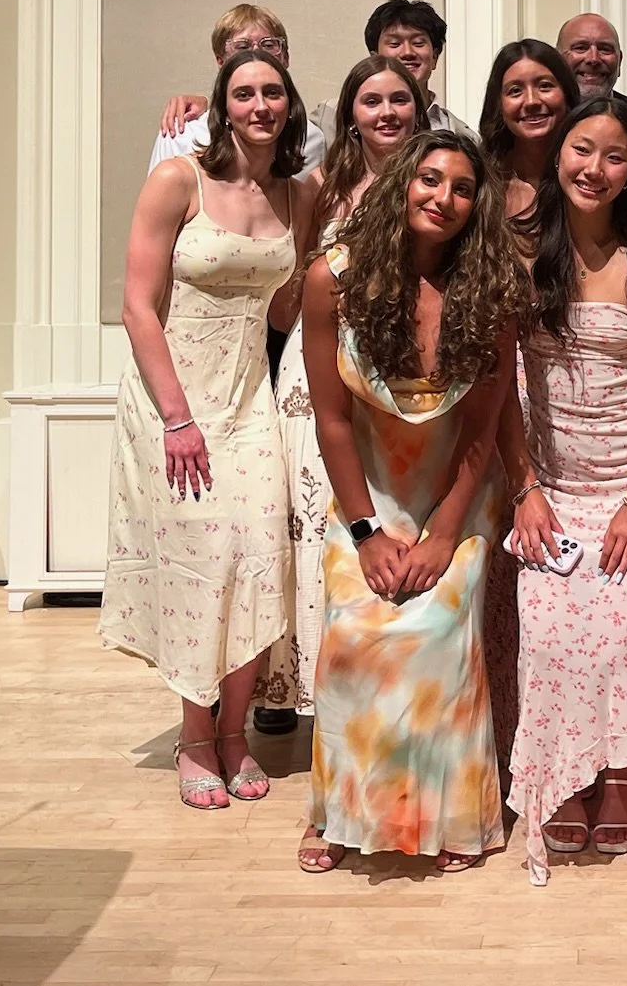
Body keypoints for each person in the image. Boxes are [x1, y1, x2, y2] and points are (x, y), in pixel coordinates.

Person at [297, 130, 523, 873]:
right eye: (430, 180)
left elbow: (483, 429)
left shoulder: (491, 291)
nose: (444, 199)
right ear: (402, 186)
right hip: (367, 494)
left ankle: (452, 816)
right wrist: (366, 532)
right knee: (356, 635)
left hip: (456, 495)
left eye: (462, 188)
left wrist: (440, 536)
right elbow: (332, 420)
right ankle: (337, 813)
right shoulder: (332, 279)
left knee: (438, 624)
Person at [100, 47, 317, 810]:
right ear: (222, 106)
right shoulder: (177, 180)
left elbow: (289, 307)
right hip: (175, 398)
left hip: (249, 390)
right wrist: (177, 418)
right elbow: (136, 304)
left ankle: (237, 734)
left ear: (290, 107)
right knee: (200, 560)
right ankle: (197, 734)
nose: (260, 105)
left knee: (261, 551)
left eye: (273, 94)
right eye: (245, 93)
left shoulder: (298, 194)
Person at [503, 98, 627, 884]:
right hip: (550, 487)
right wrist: (523, 490)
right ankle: (567, 780)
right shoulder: (518, 250)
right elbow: (501, 389)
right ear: (557, 155)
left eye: (614, 157)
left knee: (621, 640)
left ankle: (618, 774)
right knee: (547, 640)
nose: (594, 169)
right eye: (582, 150)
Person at [265, 55, 427, 715]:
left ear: (419, 106)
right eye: (371, 101)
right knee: (310, 526)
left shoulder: (437, 180)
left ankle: (386, 693)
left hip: (400, 384)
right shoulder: (319, 189)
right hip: (316, 372)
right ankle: (308, 692)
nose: (386, 112)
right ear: (351, 114)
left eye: (398, 99)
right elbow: (286, 295)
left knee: (390, 525)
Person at [151, 3, 327, 173]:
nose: (256, 54)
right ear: (221, 62)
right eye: (242, 47)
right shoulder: (181, 134)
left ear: (286, 57)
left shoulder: (311, 139)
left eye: (268, 45)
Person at [303, 0, 481, 146]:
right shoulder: (330, 116)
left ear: (434, 57)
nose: (408, 53)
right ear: (374, 58)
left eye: (418, 43)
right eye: (394, 44)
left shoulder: (461, 134)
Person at [479, 38, 580, 221]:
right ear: (499, 105)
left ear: (567, 94)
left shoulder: (587, 179)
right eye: (515, 91)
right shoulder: (482, 182)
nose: (532, 101)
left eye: (545, 86)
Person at [556, 12, 627, 115]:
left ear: (620, 61)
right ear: (557, 59)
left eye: (605, 49)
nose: (593, 59)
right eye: (580, 48)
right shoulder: (542, 120)